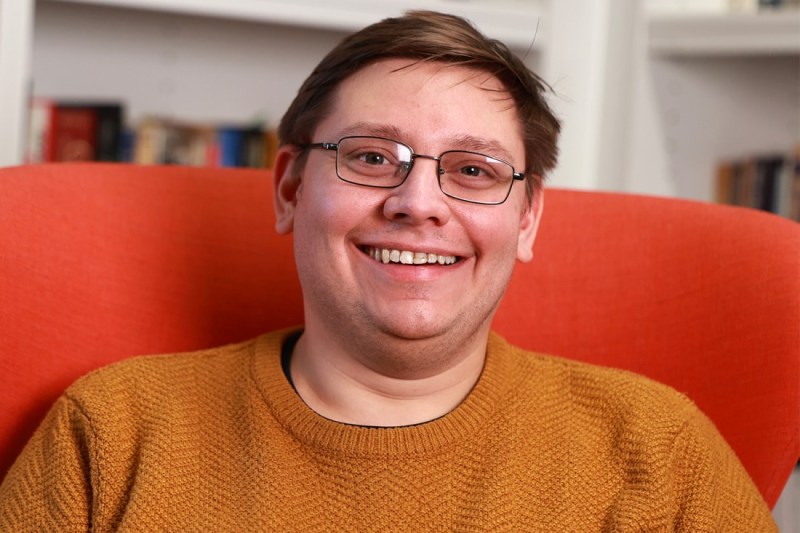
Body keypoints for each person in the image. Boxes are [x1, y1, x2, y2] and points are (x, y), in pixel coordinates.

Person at [0, 10, 777, 532]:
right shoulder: (112, 432)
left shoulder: (656, 450)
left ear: (528, 217)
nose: (418, 202)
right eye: (372, 157)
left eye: (473, 170)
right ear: (289, 188)